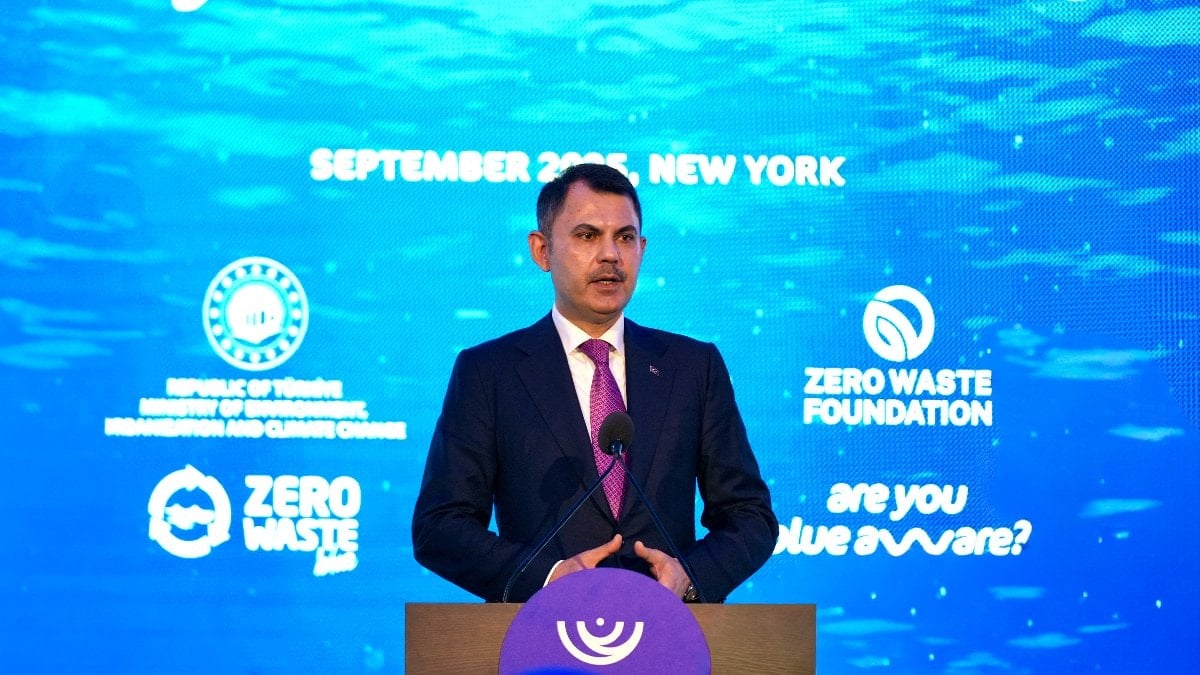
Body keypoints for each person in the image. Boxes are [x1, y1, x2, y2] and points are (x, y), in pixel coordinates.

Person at [412, 163, 776, 603]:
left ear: (642, 249)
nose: (610, 255)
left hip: (666, 629)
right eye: (587, 235)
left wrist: (690, 576)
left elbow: (749, 516)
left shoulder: (693, 367)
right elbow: (440, 527)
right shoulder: (489, 372)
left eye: (625, 237)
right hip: (543, 631)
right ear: (542, 250)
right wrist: (545, 579)